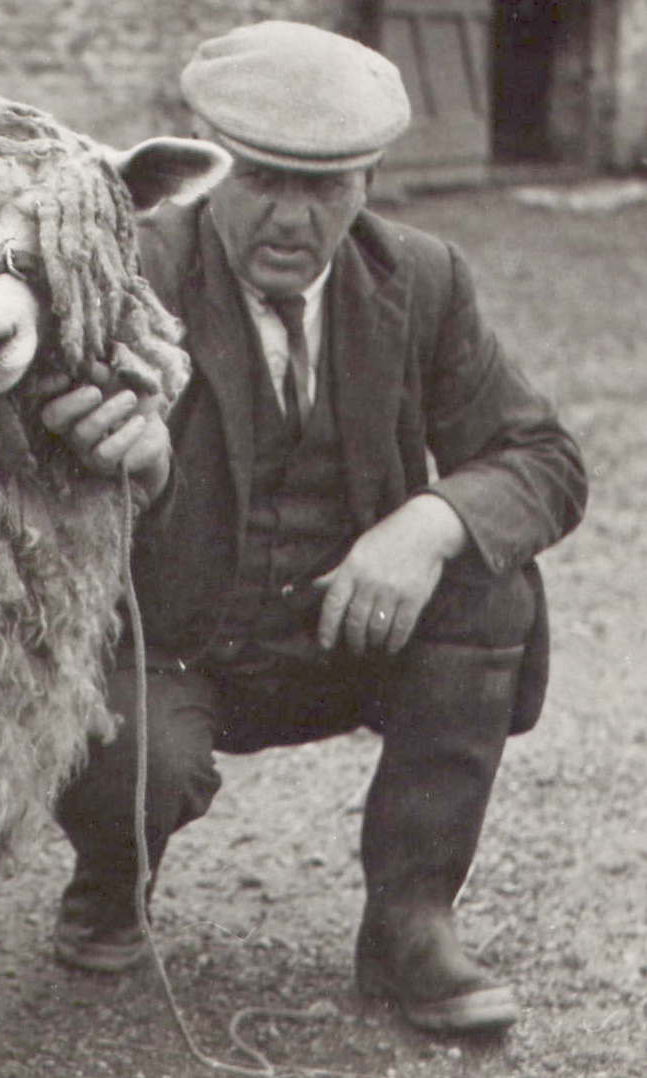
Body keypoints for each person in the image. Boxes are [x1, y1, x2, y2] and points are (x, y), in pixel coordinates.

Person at [41, 20, 587, 1035]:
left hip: (344, 631)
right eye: (261, 179)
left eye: (326, 187)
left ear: (370, 184)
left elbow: (543, 457)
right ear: (207, 169)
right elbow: (30, 501)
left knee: (488, 579)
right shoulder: (127, 279)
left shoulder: (421, 279)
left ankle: (409, 921)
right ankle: (111, 876)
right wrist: (133, 470)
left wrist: (428, 521)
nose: (292, 218)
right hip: (169, 647)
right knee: (132, 760)